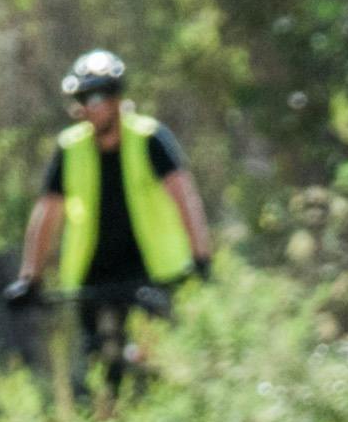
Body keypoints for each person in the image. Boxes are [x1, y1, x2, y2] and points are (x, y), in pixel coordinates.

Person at [13, 49, 214, 394]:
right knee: (99, 371)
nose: (90, 106)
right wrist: (30, 278)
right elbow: (47, 213)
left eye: (98, 96)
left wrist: (201, 259)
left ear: (117, 97)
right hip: (94, 278)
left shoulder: (150, 139)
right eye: (83, 98)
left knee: (157, 362)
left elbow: (186, 198)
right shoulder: (70, 148)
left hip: (152, 273)